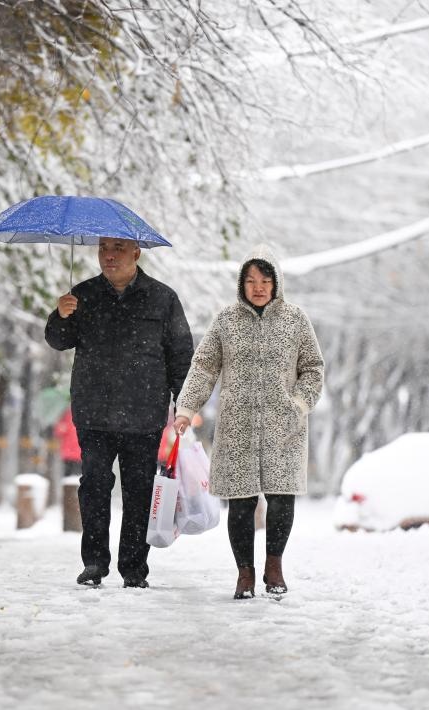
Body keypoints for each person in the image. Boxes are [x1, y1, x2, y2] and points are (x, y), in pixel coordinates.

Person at [174, 245, 324, 599]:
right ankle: (245, 573)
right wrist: (186, 408)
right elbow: (204, 366)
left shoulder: (295, 319)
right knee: (241, 502)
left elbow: (313, 369)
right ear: (241, 284)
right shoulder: (226, 320)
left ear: (277, 282)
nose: (258, 287)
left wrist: (299, 404)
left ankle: (274, 567)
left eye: (265, 280)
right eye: (251, 280)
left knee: (281, 498)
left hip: (283, 427)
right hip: (237, 427)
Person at [45, 237, 194, 588]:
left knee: (139, 491)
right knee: (94, 487)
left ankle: (133, 569)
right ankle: (94, 564)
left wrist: (183, 405)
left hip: (144, 413)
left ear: (136, 253)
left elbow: (180, 354)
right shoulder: (81, 295)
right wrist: (60, 315)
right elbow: (58, 340)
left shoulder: (163, 298)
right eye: (102, 249)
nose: (108, 255)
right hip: (94, 412)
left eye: (117, 249)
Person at [53, 407, 82, 479]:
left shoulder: (66, 415)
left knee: (70, 479)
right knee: (76, 478)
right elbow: (59, 431)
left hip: (72, 454)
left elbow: (59, 432)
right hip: (72, 454)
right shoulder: (67, 415)